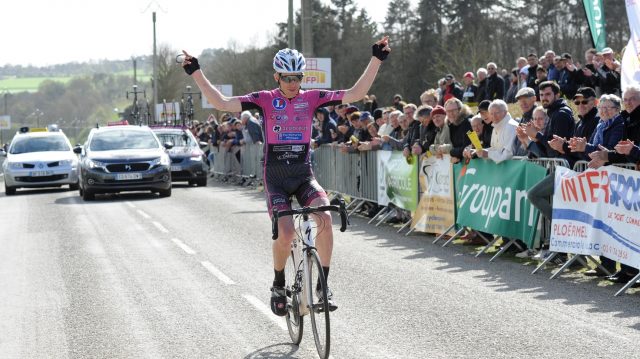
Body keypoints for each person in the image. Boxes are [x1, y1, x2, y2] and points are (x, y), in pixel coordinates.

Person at [181, 36, 391, 316]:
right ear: (277, 76)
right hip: (275, 177)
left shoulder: (312, 97)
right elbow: (220, 102)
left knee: (326, 218)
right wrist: (196, 71)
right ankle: (279, 283)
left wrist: (376, 59)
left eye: (298, 77)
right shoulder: (264, 100)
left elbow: (355, 93)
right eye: (287, 77)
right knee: (287, 233)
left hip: (303, 174)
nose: (293, 83)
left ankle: (322, 286)